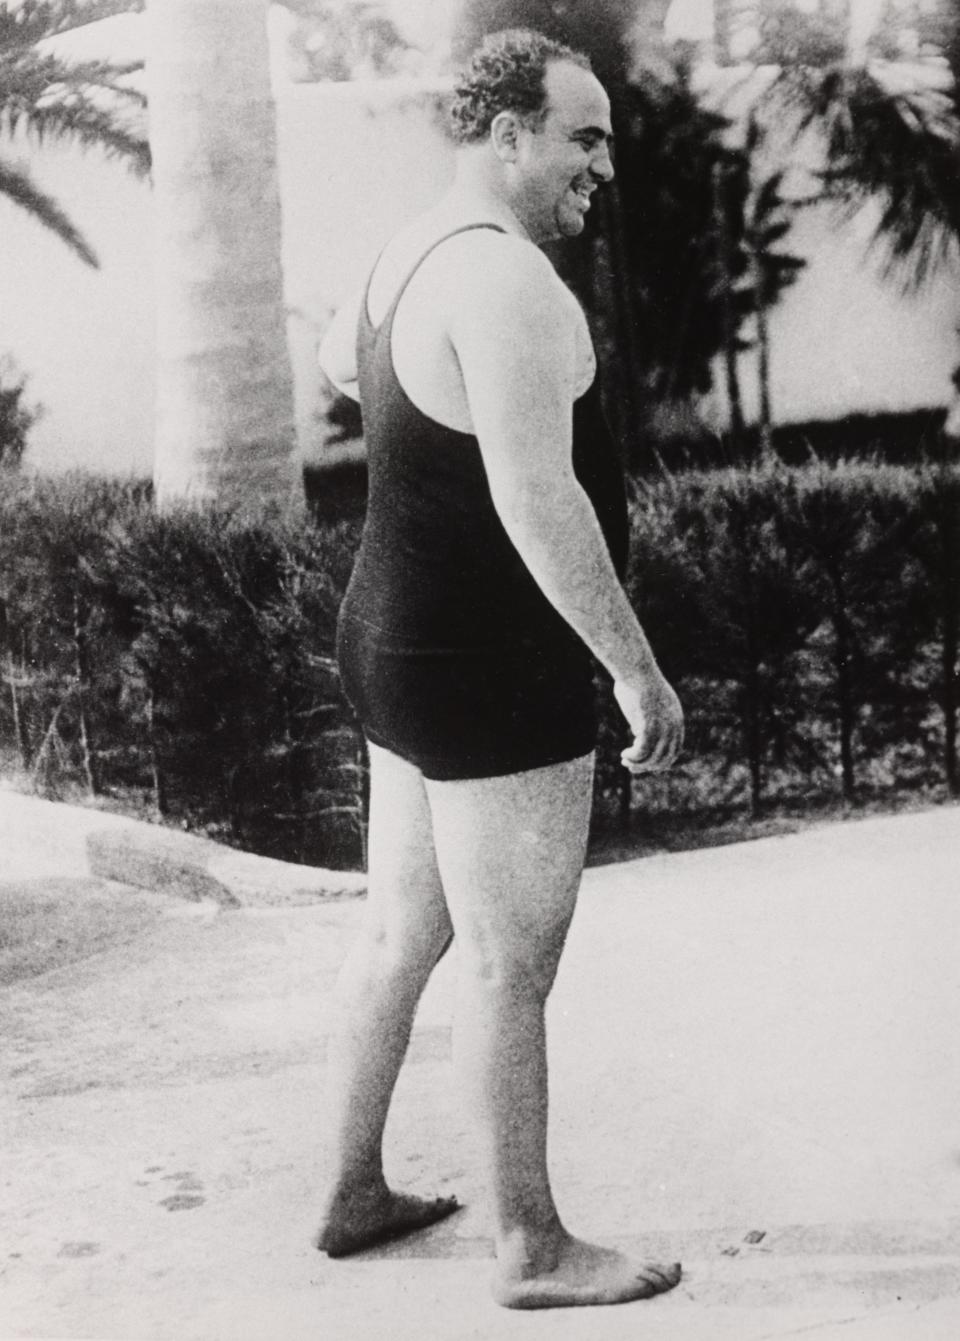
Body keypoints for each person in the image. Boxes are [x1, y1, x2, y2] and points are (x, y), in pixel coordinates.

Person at [314, 28, 685, 1310]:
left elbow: (344, 376)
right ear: (506, 133)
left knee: (401, 930)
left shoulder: (404, 254)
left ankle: (352, 1191)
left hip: (392, 641)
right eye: (583, 139)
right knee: (508, 963)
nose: (603, 169)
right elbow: (543, 505)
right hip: (486, 662)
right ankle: (531, 1246)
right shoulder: (514, 285)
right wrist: (636, 671)